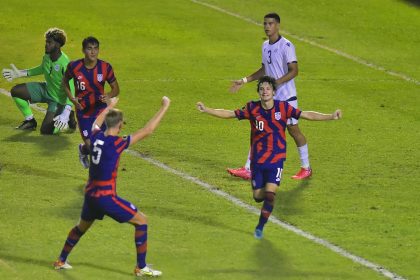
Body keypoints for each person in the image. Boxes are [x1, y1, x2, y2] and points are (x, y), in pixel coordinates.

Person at [197, 76, 341, 239]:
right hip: (258, 161)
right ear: (258, 92)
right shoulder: (252, 108)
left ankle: (260, 227)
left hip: (276, 158)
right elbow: (229, 113)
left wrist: (330, 116)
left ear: (273, 92)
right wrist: (207, 109)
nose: (265, 91)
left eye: (268, 89)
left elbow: (307, 115)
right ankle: (265, 193)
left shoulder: (283, 108)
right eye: (262, 89)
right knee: (258, 196)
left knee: (270, 195)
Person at [53, 96, 170, 277]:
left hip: (90, 195)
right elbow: (148, 130)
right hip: (105, 197)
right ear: (121, 125)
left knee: (80, 228)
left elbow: (95, 123)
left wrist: (110, 106)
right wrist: (164, 107)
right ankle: (141, 267)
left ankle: (61, 260)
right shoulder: (117, 144)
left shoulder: (95, 136)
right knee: (142, 221)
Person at [229, 12, 312, 180]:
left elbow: (294, 70)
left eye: (271, 24)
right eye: (265, 23)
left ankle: (306, 167)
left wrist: (276, 83)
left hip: (287, 97)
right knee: (259, 129)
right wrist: (245, 80)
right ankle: (248, 168)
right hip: (271, 98)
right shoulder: (265, 45)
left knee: (293, 130)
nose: (267, 27)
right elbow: (264, 70)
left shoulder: (286, 46)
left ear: (278, 25)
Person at [1, 27, 76, 134]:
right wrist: (21, 73)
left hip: (59, 100)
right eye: (46, 42)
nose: (46, 44)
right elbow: (42, 68)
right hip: (46, 90)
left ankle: (68, 117)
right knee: (16, 91)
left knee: (46, 130)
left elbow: (72, 88)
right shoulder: (47, 56)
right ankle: (30, 121)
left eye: (49, 42)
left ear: (58, 45)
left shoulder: (65, 64)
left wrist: (67, 110)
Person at [63, 36, 119, 169]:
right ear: (83, 50)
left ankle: (83, 150)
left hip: (101, 111)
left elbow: (116, 89)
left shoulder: (105, 67)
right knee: (93, 147)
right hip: (84, 113)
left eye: (95, 49)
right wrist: (71, 98)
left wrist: (109, 96)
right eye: (89, 49)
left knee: (101, 147)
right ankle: (85, 151)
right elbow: (64, 81)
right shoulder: (74, 66)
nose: (93, 52)